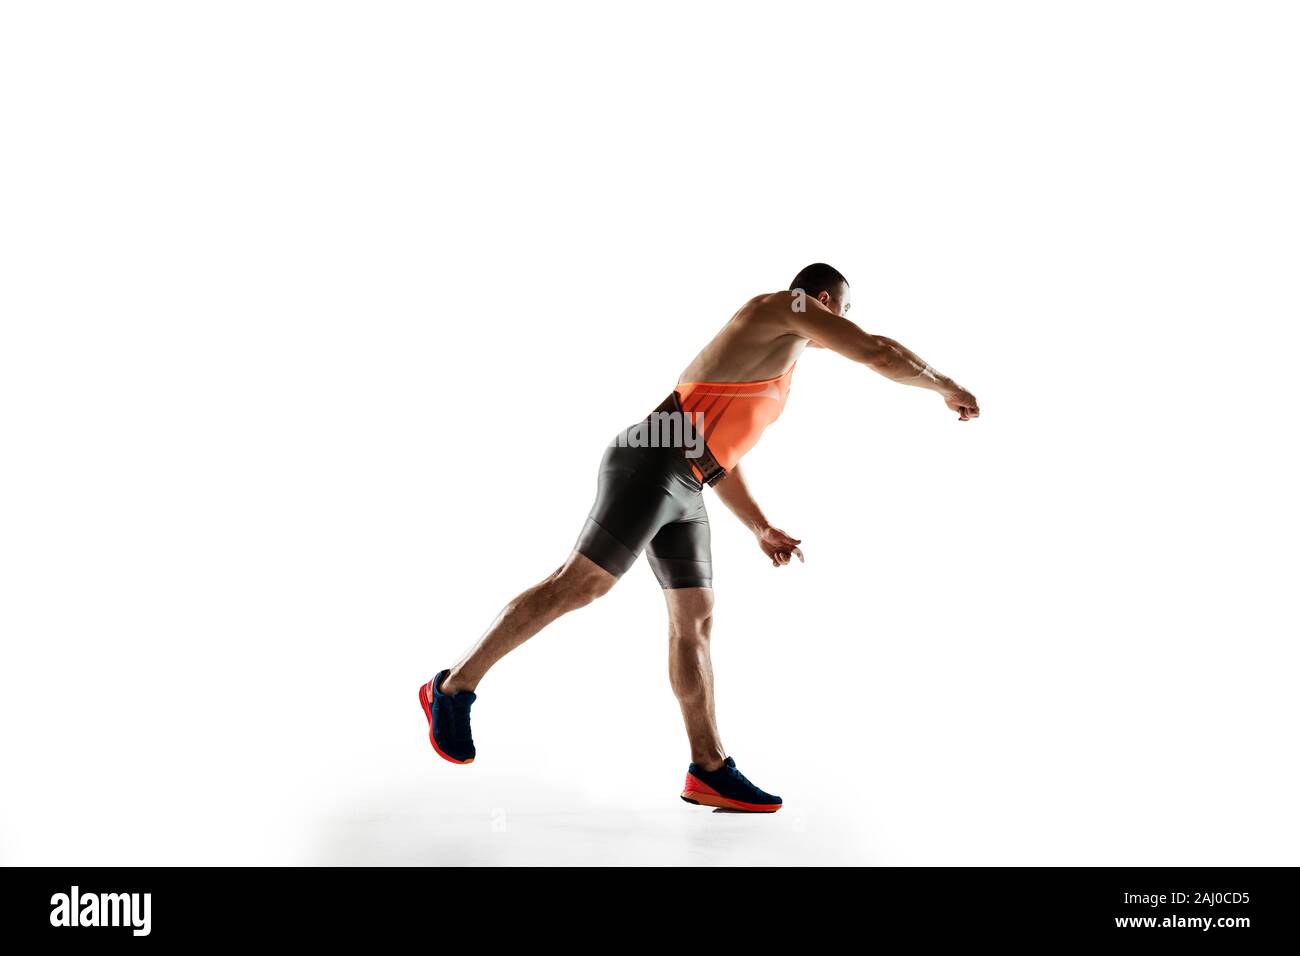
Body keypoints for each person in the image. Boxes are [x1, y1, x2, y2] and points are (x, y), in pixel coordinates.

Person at [418, 263, 980, 812]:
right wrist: (945, 385)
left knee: (696, 618)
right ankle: (451, 688)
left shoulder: (776, 361)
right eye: (848, 314)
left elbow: (717, 453)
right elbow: (879, 352)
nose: (846, 330)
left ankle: (708, 769)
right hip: (651, 456)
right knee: (583, 584)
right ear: (827, 304)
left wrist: (760, 526)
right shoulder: (785, 306)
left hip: (687, 479)